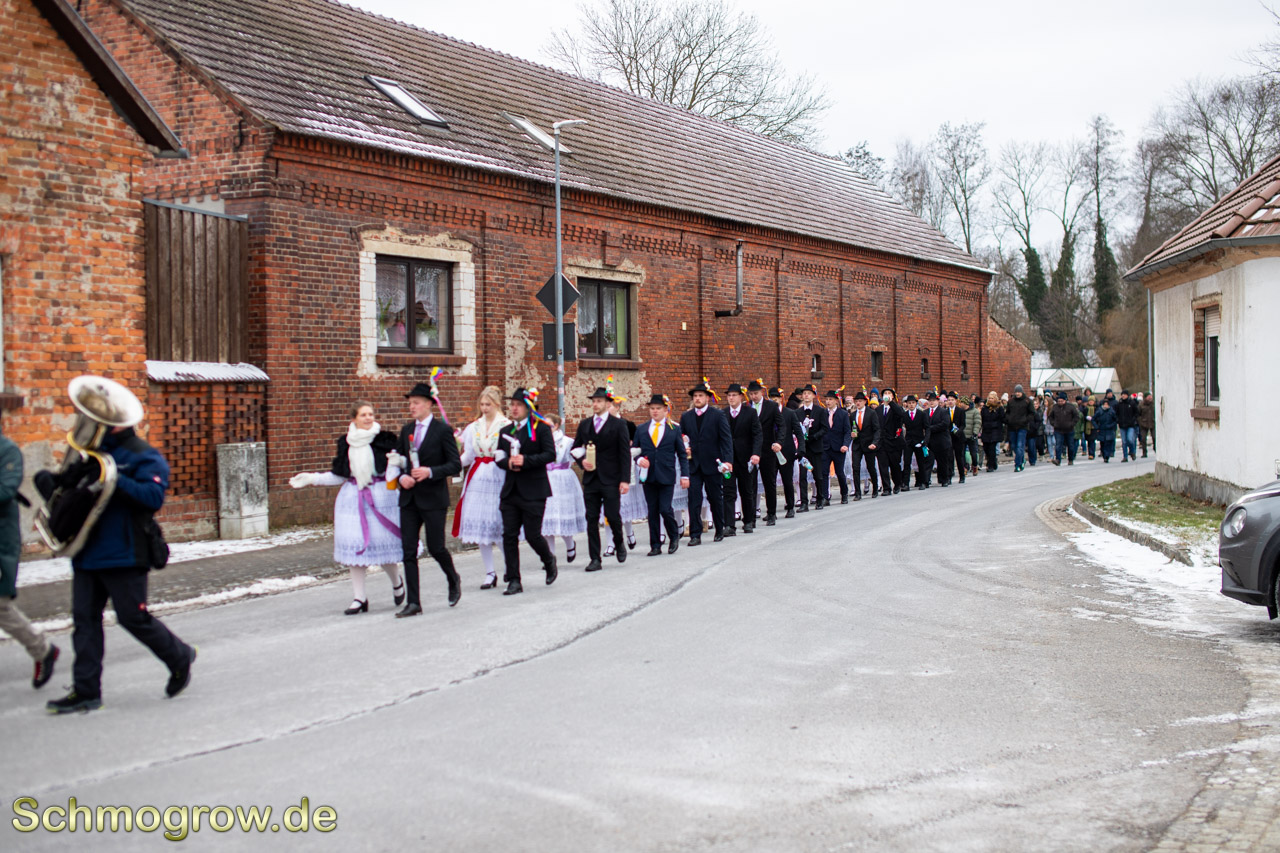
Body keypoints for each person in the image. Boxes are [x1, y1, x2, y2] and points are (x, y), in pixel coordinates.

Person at [36, 378, 194, 714]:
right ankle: (86, 691)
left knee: (133, 618)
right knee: (85, 621)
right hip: (87, 551)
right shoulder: (93, 455)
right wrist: (52, 484)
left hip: (125, 552)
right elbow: (72, 494)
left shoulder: (143, 455)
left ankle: (179, 656)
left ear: (119, 422)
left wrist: (115, 480)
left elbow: (152, 497)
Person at [289, 401, 407, 614]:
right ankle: (359, 597)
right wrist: (312, 478)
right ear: (354, 419)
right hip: (353, 500)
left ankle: (397, 582)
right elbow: (339, 475)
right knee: (356, 547)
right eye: (363, 415)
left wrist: (398, 463)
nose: (368, 418)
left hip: (382, 498)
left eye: (370, 414)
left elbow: (397, 469)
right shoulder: (346, 443)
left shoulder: (385, 440)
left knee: (382, 546)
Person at [394, 379, 463, 616]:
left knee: (436, 547)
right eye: (410, 403)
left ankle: (453, 577)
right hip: (409, 499)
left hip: (433, 498)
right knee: (408, 550)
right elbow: (399, 461)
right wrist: (402, 477)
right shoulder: (406, 430)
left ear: (428, 404)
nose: (412, 407)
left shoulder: (442, 430)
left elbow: (454, 464)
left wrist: (430, 472)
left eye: (416, 403)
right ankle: (414, 602)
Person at [0, 423, 59, 690]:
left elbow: (6, 490)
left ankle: (42, 649)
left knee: (1, 607)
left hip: (2, 541)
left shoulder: (7, 450)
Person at [496, 388, 557, 595]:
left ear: (529, 408)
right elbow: (498, 456)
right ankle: (514, 580)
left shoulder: (541, 428)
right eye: (512, 404)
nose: (514, 408)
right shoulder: (505, 431)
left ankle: (548, 559)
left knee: (532, 535)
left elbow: (550, 454)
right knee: (509, 535)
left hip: (534, 490)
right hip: (511, 490)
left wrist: (526, 460)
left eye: (519, 405)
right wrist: (508, 463)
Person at [454, 386, 510, 589]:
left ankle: (510, 567)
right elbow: (469, 455)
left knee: (499, 525)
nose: (484, 408)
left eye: (488, 404)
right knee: (481, 526)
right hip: (478, 476)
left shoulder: (506, 426)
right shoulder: (473, 427)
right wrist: (453, 463)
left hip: (498, 475)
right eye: (482, 404)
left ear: (497, 405)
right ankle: (490, 572)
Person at [571, 387, 630, 572]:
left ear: (607, 403)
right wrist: (582, 461)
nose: (595, 404)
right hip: (591, 479)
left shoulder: (618, 425)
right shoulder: (585, 424)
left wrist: (625, 479)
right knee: (591, 519)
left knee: (612, 516)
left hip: (611, 478)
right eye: (594, 401)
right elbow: (575, 447)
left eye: (599, 401)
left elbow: (624, 453)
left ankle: (619, 542)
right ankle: (595, 559)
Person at [633, 394, 689, 555]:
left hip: (667, 474)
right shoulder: (641, 429)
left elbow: (682, 454)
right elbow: (634, 451)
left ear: (665, 410)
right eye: (652, 408)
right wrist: (639, 460)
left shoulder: (674, 429)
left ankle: (673, 536)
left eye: (658, 408)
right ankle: (655, 545)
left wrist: (685, 475)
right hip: (648, 475)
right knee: (652, 511)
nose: (655, 411)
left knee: (665, 508)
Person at [679, 379, 732, 544]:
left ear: (707, 398)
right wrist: (684, 448)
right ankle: (695, 534)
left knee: (715, 498)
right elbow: (682, 437)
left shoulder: (717, 415)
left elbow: (726, 439)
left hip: (712, 463)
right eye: (695, 396)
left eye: (700, 396)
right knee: (694, 500)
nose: (697, 399)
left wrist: (728, 461)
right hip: (693, 464)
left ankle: (719, 528)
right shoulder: (686, 416)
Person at [541, 414, 586, 562]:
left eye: (549, 425)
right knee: (547, 518)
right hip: (546, 479)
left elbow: (577, 456)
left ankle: (570, 544)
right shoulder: (540, 440)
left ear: (556, 425)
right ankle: (551, 556)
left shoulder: (567, 441)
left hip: (562, 479)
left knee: (563, 514)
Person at [722, 383, 762, 534]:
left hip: (746, 459)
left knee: (746, 491)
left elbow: (757, 434)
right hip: (728, 460)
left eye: (734, 395)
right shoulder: (723, 413)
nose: (731, 398)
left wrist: (756, 453)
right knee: (728, 492)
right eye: (729, 395)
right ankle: (729, 525)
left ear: (740, 397)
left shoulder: (750, 412)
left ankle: (749, 521)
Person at [747, 380, 783, 524]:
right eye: (751, 394)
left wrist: (779, 442)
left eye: (756, 393)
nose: (753, 396)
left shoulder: (771, 406)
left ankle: (771, 513)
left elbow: (781, 426)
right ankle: (750, 516)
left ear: (762, 392)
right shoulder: (746, 407)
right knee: (750, 484)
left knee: (769, 482)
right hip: (750, 451)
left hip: (768, 449)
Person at [765, 387, 803, 517]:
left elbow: (798, 432)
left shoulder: (789, 413)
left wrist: (801, 449)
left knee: (787, 480)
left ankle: (790, 507)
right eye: (771, 398)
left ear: (781, 398)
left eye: (776, 398)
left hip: (786, 451)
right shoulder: (767, 414)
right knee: (770, 482)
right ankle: (771, 511)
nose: (774, 400)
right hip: (770, 452)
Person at [794, 384, 826, 510]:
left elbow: (824, 428)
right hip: (803, 449)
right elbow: (794, 428)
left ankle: (820, 499)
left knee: (818, 475)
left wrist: (814, 436)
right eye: (804, 393)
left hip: (815, 447)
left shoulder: (820, 411)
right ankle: (804, 502)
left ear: (813, 396)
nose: (806, 395)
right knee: (802, 476)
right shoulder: (797, 412)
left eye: (809, 393)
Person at [818, 389, 851, 506]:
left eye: (830, 399)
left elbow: (847, 431)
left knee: (839, 472)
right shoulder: (823, 413)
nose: (828, 402)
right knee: (824, 472)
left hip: (838, 447)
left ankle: (844, 494)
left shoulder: (843, 414)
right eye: (827, 399)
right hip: (825, 447)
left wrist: (845, 444)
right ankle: (825, 496)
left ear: (836, 401)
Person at [846, 391, 879, 501]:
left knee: (870, 467)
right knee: (855, 467)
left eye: (860, 401)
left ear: (865, 402)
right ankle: (857, 492)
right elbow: (851, 429)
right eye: (856, 401)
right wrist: (852, 434)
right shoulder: (853, 415)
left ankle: (875, 488)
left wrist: (874, 443)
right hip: (857, 444)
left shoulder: (871, 413)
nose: (858, 403)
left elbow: (876, 429)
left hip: (869, 444)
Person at [875, 388, 906, 494]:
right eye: (885, 393)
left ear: (892, 396)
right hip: (882, 442)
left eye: (889, 393)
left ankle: (897, 484)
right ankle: (886, 488)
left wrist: (891, 403)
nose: (887, 395)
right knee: (883, 466)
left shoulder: (896, 408)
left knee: (894, 465)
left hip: (893, 442)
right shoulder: (878, 410)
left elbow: (901, 414)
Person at [901, 394, 931, 490]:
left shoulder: (921, 414)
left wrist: (925, 440)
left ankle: (923, 482)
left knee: (920, 462)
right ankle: (906, 483)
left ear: (916, 404)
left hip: (919, 441)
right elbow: (900, 427)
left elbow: (927, 428)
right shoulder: (904, 415)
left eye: (913, 403)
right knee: (907, 462)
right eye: (909, 403)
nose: (911, 405)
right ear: (906, 404)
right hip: (908, 441)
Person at [1004, 384, 1035, 472]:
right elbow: (1007, 412)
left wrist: (1025, 420)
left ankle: (1017, 464)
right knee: (1014, 446)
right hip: (1012, 427)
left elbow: (1032, 413)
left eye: (1019, 392)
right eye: (1016, 392)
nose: (1017, 394)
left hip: (1022, 427)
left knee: (1020, 445)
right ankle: (1021, 460)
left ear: (1022, 392)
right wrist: (1009, 419)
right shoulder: (1011, 401)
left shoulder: (1027, 401)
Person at [928, 392, 956, 487]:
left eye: (933, 400)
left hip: (941, 440)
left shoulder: (943, 411)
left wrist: (930, 428)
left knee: (943, 461)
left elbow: (945, 424)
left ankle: (945, 479)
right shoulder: (925, 412)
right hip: (930, 440)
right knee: (928, 461)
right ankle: (926, 480)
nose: (931, 402)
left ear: (937, 401)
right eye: (930, 401)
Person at [1048, 392, 1080, 466]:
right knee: (1058, 445)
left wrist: (1072, 424)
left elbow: (1076, 416)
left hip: (1069, 430)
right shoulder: (1055, 407)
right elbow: (1050, 416)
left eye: (1061, 401)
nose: (1060, 402)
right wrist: (1054, 424)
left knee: (1070, 445)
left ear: (1065, 400)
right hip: (1058, 430)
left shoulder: (1070, 407)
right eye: (1059, 401)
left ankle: (1070, 459)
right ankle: (1058, 460)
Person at [1116, 389, 1141, 462]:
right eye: (1122, 394)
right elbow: (1116, 413)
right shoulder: (1119, 403)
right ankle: (1125, 456)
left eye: (1124, 394)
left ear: (1127, 395)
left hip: (1130, 425)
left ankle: (1132, 451)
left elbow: (1137, 412)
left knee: (1130, 439)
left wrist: (1133, 420)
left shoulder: (1132, 403)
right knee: (1124, 442)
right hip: (1122, 425)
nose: (1123, 396)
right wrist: (1118, 420)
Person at [963, 395, 982, 477]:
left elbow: (977, 423)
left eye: (962, 403)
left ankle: (974, 465)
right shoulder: (960, 411)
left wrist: (975, 433)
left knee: (973, 453)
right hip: (962, 435)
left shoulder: (975, 411)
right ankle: (964, 467)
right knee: (962, 453)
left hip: (971, 436)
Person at [1094, 398, 1118, 462]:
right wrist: (1097, 427)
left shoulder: (1111, 411)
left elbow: (1115, 420)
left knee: (1108, 443)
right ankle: (1104, 454)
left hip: (1109, 429)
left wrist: (1112, 425)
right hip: (1101, 429)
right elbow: (1093, 419)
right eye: (1104, 404)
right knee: (1103, 443)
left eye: (1107, 404)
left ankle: (1107, 456)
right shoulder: (1099, 411)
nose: (1105, 405)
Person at [1026, 396, 1043, 467]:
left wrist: (1035, 427)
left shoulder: (1034, 413)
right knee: (1027, 447)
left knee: (1031, 446)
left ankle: (1032, 460)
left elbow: (1038, 421)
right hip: (1025, 431)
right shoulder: (1024, 412)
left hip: (1032, 432)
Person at [1138, 392, 1156, 457]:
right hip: (1143, 424)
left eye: (1150, 396)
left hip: (1152, 423)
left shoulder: (1154, 404)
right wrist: (1140, 421)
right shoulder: (1141, 405)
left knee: (1154, 437)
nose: (1150, 397)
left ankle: (1155, 448)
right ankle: (1144, 452)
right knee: (1143, 439)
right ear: (1145, 397)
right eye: (1148, 396)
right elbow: (1138, 414)